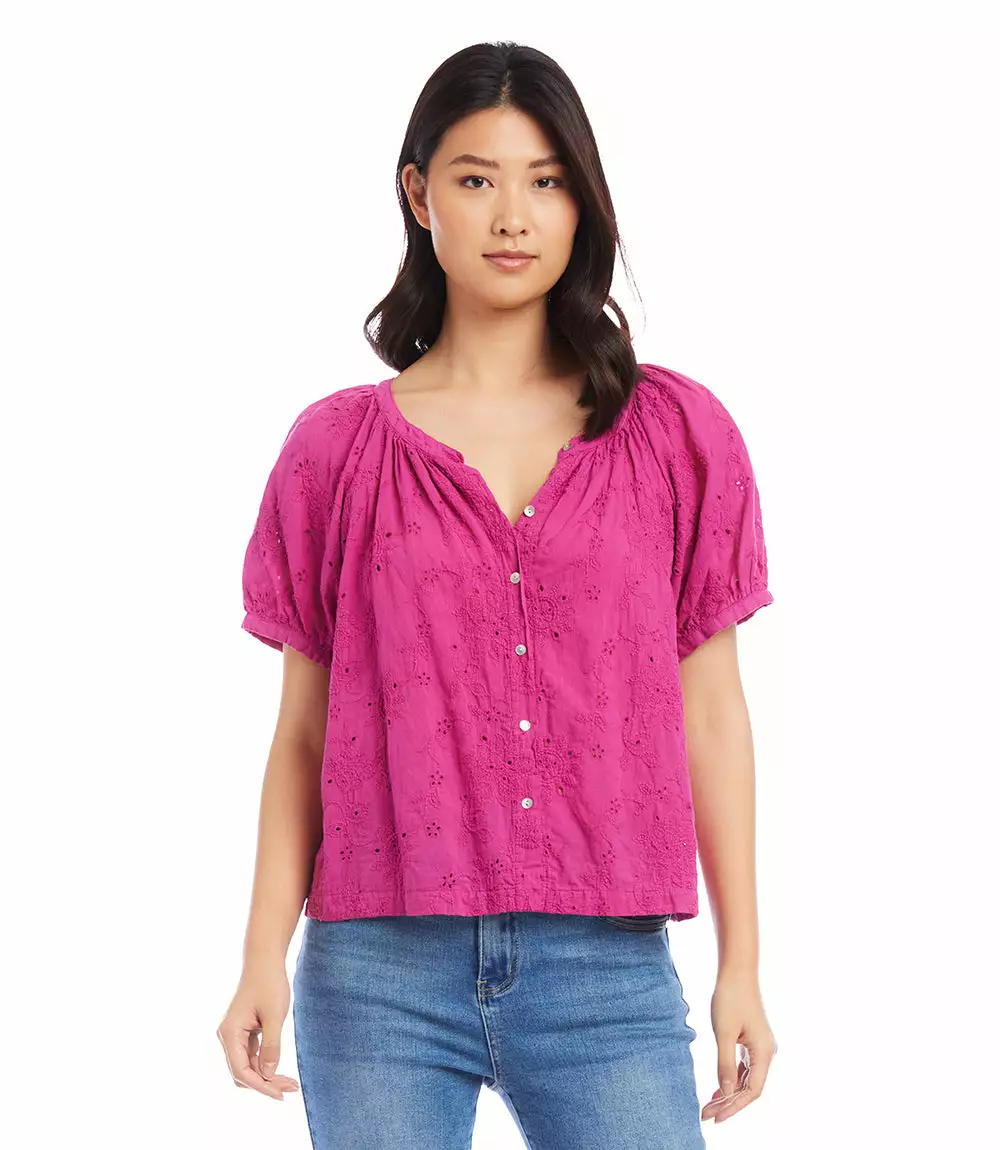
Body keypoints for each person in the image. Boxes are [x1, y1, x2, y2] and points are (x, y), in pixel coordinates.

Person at [216, 39, 778, 1150]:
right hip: (376, 974)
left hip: (606, 970)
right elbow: (303, 735)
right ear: (419, 194)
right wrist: (258, 956)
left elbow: (712, 713)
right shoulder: (335, 452)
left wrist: (743, 964)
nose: (513, 217)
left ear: (582, 202)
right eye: (477, 179)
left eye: (546, 180)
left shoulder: (674, 435)